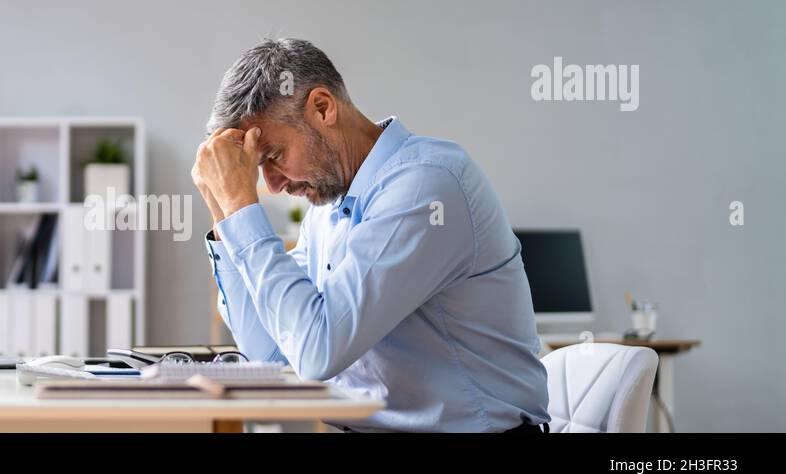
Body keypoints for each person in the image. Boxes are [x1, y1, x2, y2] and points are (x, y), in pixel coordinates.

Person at [192, 38, 550, 432]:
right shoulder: (327, 210)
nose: (272, 186)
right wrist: (223, 212)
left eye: (273, 157)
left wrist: (244, 208)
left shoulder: (425, 189)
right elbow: (272, 356)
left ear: (323, 108)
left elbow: (317, 352)